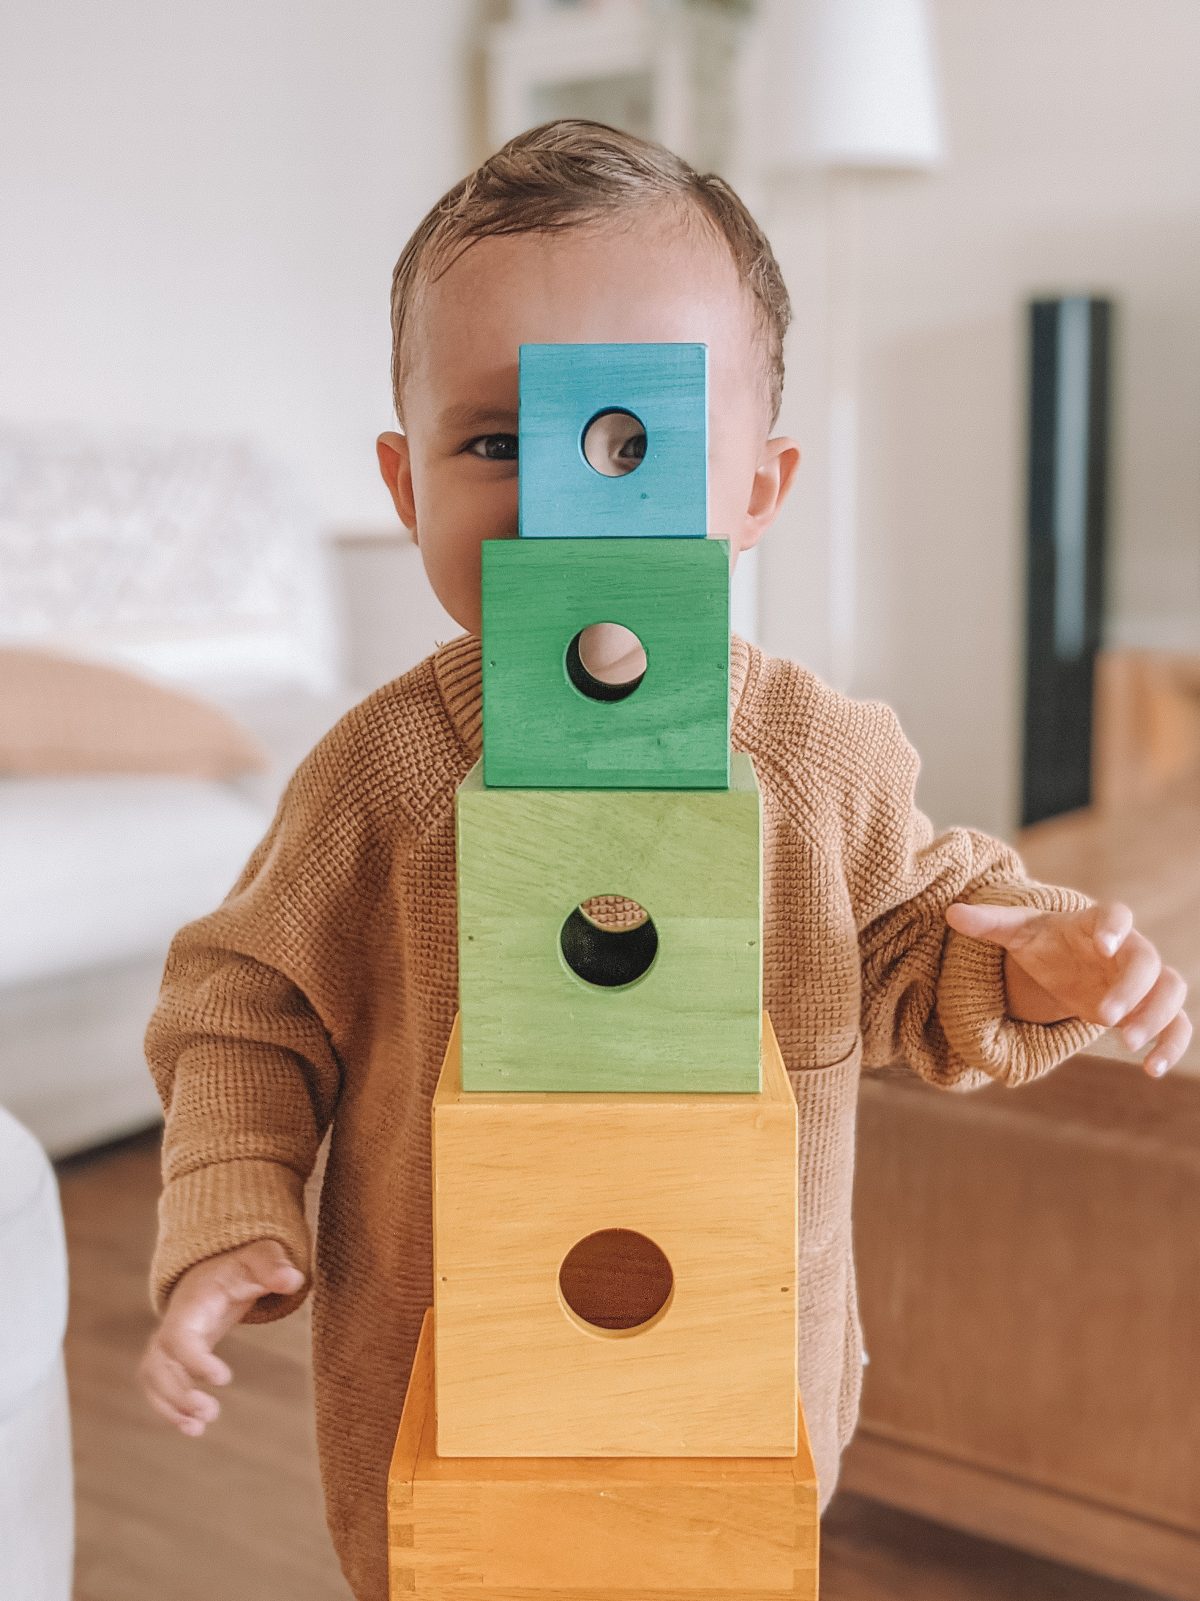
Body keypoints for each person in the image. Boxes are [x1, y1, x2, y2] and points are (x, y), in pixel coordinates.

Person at [137, 119, 1191, 1601]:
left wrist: (1049, 955)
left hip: (738, 1410)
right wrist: (230, 1209)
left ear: (759, 488)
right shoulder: (379, 775)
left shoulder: (822, 761)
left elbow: (929, 942)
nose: (569, 496)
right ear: (403, 484)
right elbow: (243, 1004)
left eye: (637, 443)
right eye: (496, 441)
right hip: (445, 1424)